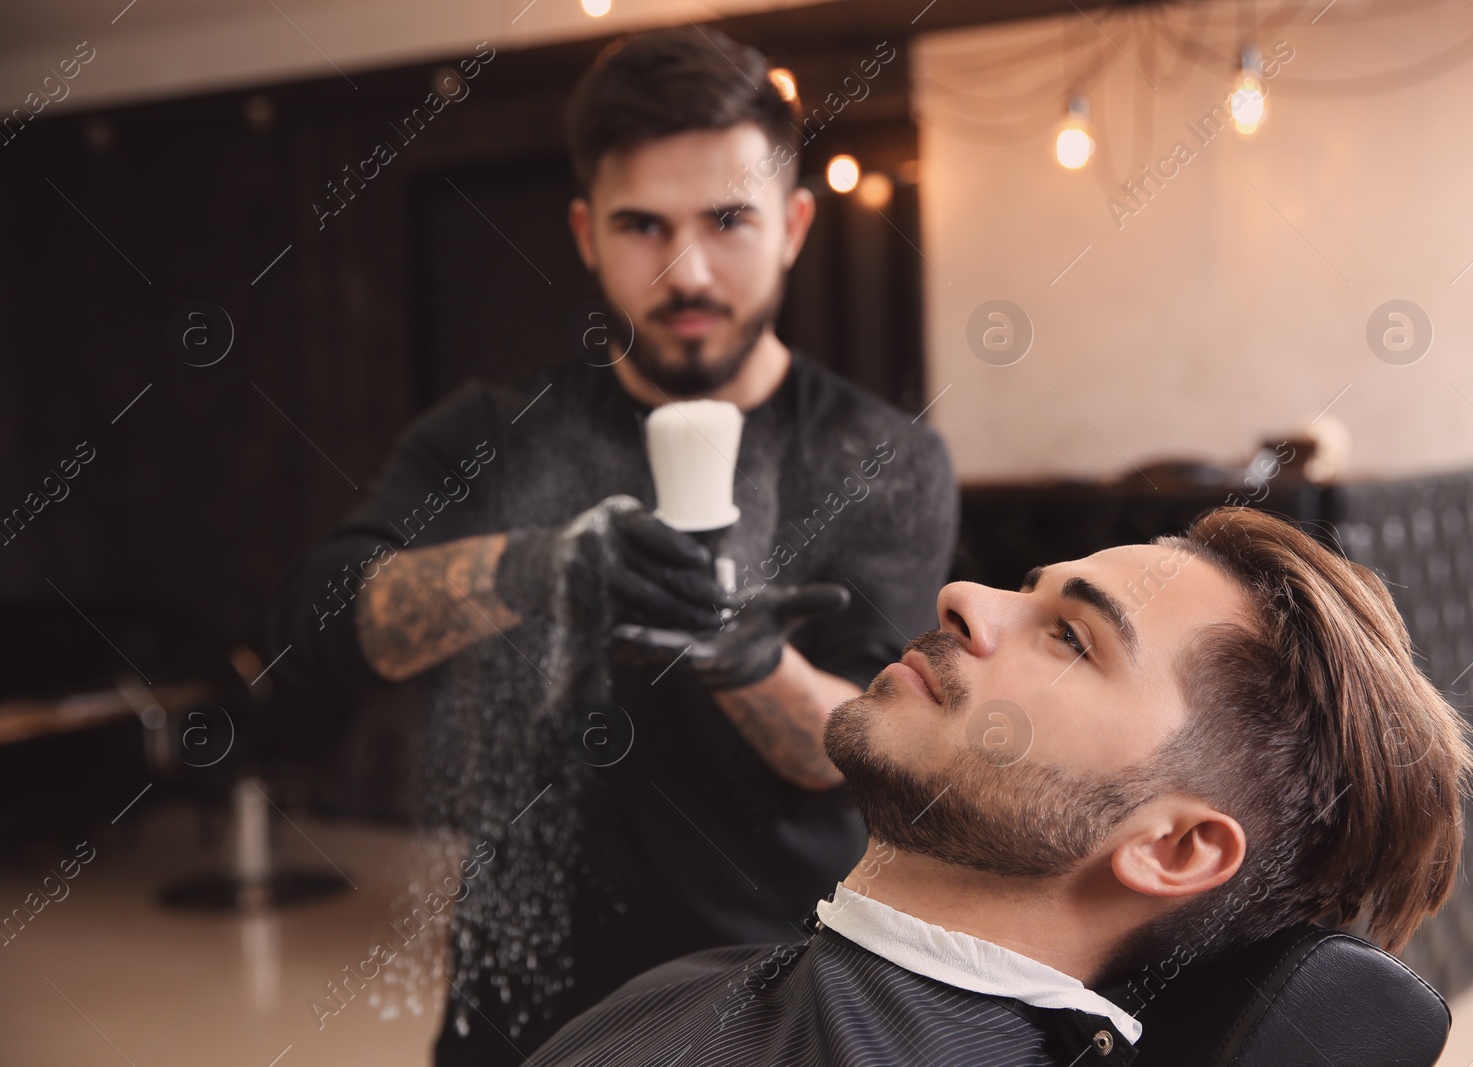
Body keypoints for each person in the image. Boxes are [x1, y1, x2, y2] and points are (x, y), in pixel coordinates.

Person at [265, 26, 957, 1067]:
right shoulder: (491, 433)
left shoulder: (884, 458)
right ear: (586, 233)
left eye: (728, 220)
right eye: (643, 225)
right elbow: (313, 626)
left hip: (770, 1005)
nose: (686, 270)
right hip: (526, 1006)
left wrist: (747, 657)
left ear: (794, 225)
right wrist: (530, 568)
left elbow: (878, 760)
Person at [519, 507, 1473, 1066]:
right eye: (1028, 587)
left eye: (1071, 636)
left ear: (1173, 845)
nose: (966, 599)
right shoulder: (724, 985)